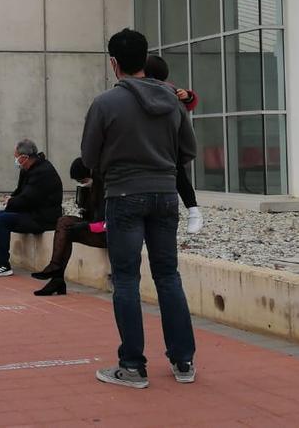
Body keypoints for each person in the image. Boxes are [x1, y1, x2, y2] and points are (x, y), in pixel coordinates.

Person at [82, 28, 197, 389]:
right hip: (165, 196)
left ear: (114, 63)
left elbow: (89, 158)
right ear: (146, 58)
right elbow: (187, 151)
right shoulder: (174, 101)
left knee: (127, 279)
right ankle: (184, 361)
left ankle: (132, 366)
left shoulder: (105, 103)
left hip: (124, 196)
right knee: (168, 276)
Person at [0, 139, 63, 277]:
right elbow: (20, 192)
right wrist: (10, 199)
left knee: (2, 220)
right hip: (29, 211)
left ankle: (3, 265)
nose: (15, 160)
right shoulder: (27, 169)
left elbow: (29, 198)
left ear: (25, 157)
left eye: (16, 157)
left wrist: (12, 202)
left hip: (42, 218)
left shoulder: (43, 172)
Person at [30, 158, 108, 297]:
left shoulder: (104, 188)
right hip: (94, 227)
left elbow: (105, 223)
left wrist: (86, 226)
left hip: (107, 233)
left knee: (67, 229)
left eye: (83, 181)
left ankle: (55, 273)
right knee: (63, 223)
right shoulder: (91, 190)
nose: (83, 184)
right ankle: (56, 275)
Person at [144, 54, 203, 234]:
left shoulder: (171, 91)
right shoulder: (140, 89)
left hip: (168, 144)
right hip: (150, 143)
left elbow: (189, 104)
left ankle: (193, 211)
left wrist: (187, 96)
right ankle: (191, 211)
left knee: (179, 177)